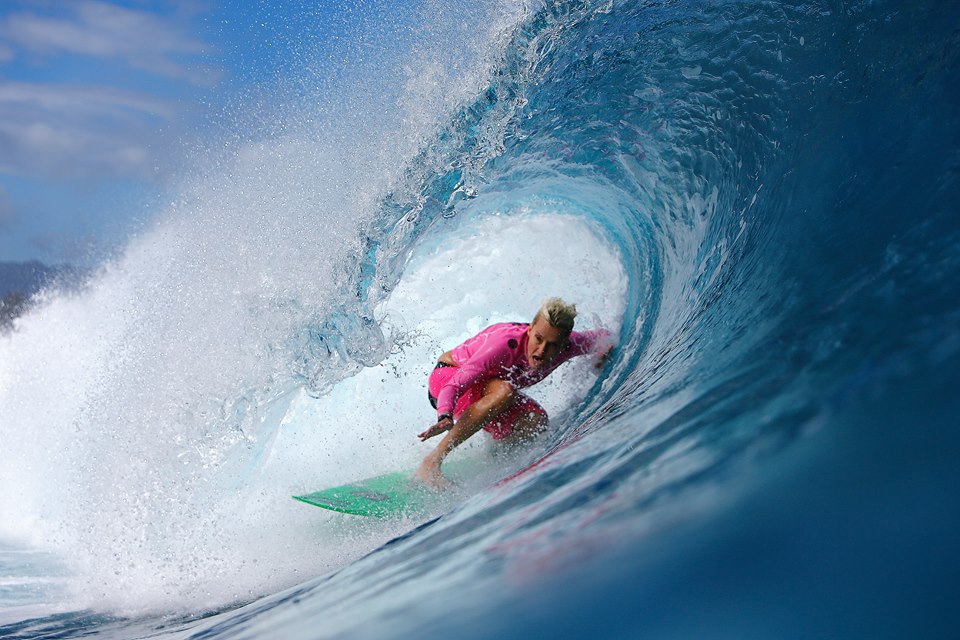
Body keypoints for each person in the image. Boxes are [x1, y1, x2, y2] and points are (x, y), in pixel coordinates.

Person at [416, 297, 612, 487]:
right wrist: (445, 415)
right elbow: (454, 386)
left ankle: (495, 468)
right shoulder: (503, 344)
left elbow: (604, 338)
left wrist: (601, 356)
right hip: (446, 380)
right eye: (538, 338)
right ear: (530, 329)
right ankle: (432, 462)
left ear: (564, 342)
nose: (542, 350)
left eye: (552, 344)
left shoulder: (569, 344)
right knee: (505, 392)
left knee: (535, 421)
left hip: (484, 389)